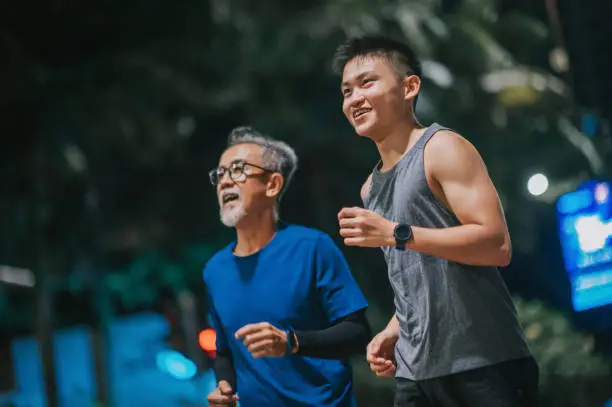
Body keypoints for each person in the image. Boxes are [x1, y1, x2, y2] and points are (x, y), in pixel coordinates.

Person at [332, 35, 539, 407]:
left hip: (484, 363)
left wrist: (396, 233)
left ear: (409, 86)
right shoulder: (369, 188)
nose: (354, 99)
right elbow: (418, 275)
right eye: (347, 91)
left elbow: (496, 244)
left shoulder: (442, 148)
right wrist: (394, 329)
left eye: (367, 83)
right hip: (415, 375)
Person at [203, 126, 371, 407]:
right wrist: (224, 387)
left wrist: (292, 342)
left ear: (272, 185)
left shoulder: (312, 247)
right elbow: (224, 352)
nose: (224, 181)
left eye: (238, 170)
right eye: (219, 174)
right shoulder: (214, 270)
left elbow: (357, 334)